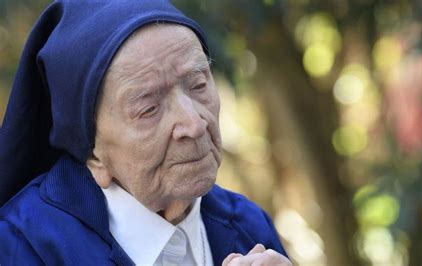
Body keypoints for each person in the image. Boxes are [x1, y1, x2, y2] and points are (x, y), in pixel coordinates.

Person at [0, 1, 291, 265]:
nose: (194, 124)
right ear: (93, 153)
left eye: (199, 85)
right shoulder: (23, 247)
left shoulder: (248, 226)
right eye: (149, 108)